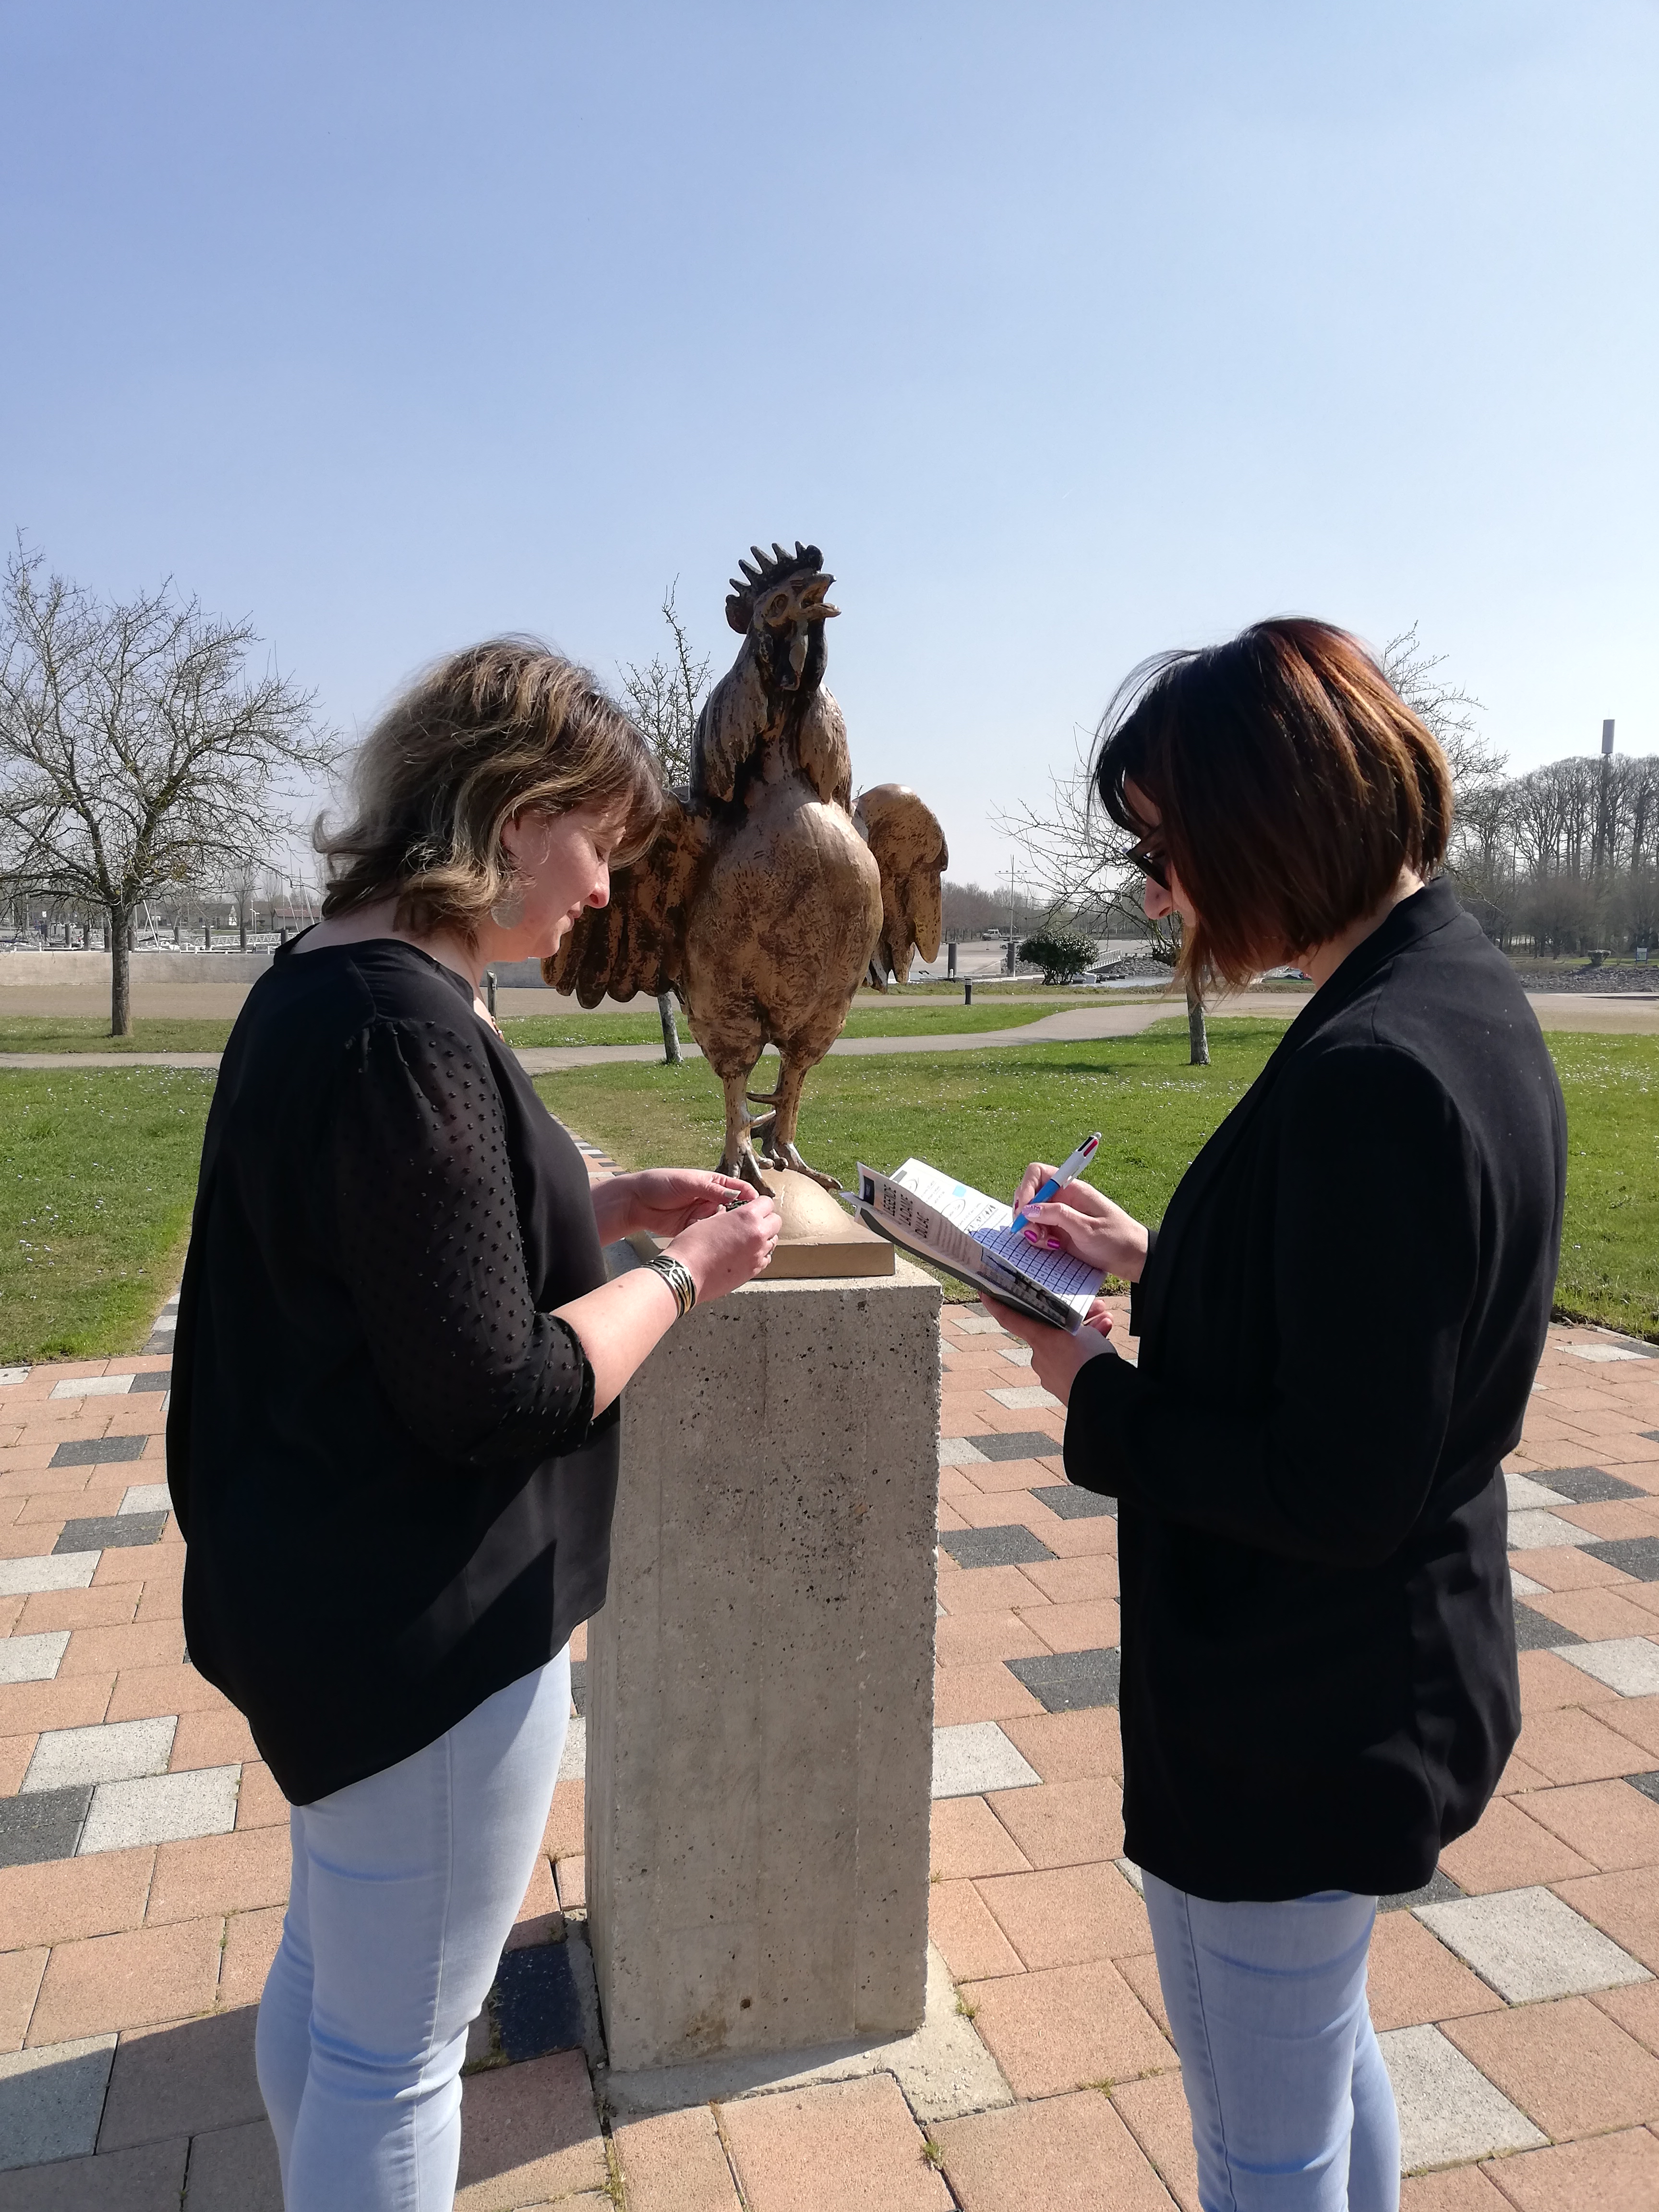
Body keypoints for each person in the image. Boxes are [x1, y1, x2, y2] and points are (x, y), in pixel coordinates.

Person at [166, 640, 782, 2212]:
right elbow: (497, 1385)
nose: (603, 886)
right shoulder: (410, 1032)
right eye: (597, 843)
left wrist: (582, 1203)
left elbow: (380, 1241)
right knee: (400, 2058)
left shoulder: (326, 980)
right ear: (514, 817)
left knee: (337, 1978)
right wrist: (678, 1272)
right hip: (419, 1629)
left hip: (319, 1599)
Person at [986, 619, 1565, 2212]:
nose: (1156, 894)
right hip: (1353, 1680)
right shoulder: (1444, 990)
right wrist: (1156, 1262)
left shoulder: (1378, 1063)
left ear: (1265, 822)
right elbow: (1380, 1318)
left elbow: (1334, 1479)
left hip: (1300, 1704)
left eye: (1165, 850)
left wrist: (1093, 1386)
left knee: (1265, 2143)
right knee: (1317, 2069)